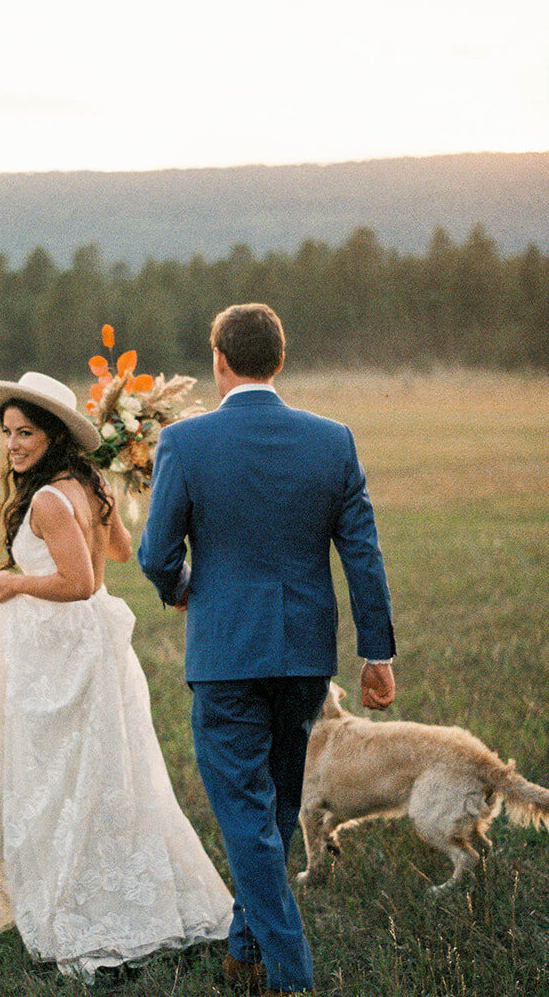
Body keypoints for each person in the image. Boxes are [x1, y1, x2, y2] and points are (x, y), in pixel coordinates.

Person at [138, 304, 398, 995]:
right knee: (277, 803)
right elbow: (363, 556)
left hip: (225, 653)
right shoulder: (332, 441)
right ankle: (244, 945)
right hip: (305, 657)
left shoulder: (186, 443)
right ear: (278, 360)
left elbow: (156, 553)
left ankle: (290, 972)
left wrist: (183, 587)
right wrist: (378, 654)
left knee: (250, 813)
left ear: (219, 360)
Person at [0, 371, 234, 982]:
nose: (13, 444)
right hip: (87, 651)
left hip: (63, 658)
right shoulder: (88, 485)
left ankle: (83, 913)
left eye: (25, 432)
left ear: (53, 435)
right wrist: (107, 502)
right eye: (7, 433)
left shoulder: (51, 500)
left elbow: (80, 583)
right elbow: (123, 551)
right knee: (108, 777)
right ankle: (125, 895)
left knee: (61, 782)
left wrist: (15, 581)